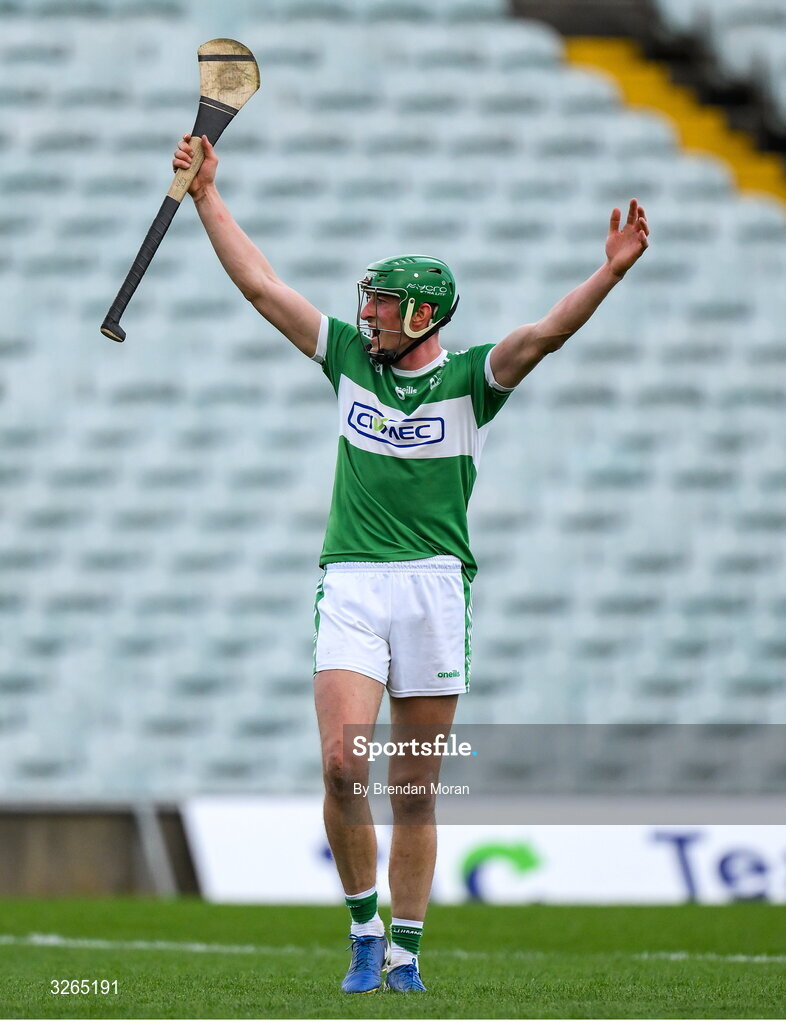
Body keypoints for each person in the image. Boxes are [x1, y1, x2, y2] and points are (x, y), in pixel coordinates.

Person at [173, 132, 649, 993]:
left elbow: (546, 333)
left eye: (385, 306)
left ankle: (407, 952)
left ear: (424, 315)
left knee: (417, 791)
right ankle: (364, 926)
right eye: (371, 304)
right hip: (353, 578)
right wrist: (209, 196)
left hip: (434, 584)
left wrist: (609, 274)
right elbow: (261, 286)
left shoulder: (473, 380)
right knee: (343, 764)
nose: (370, 316)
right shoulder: (350, 363)